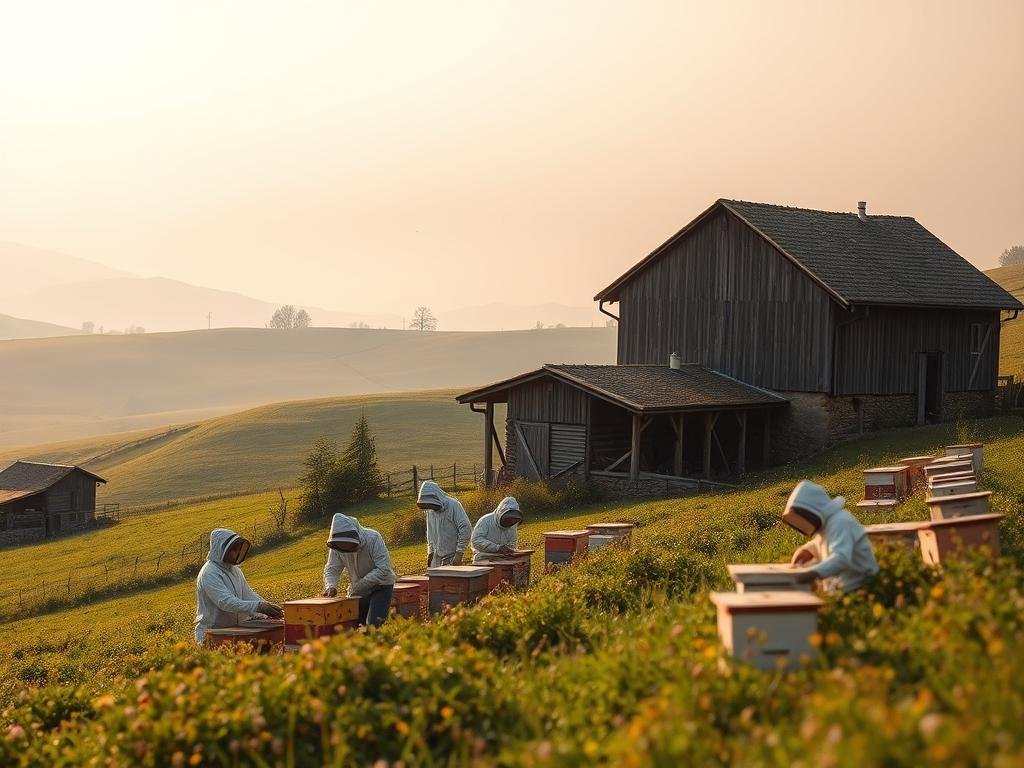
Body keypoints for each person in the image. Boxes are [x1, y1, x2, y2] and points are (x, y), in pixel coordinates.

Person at [783, 480, 879, 593]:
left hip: (860, 588)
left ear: (814, 508)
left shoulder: (841, 522)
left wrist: (813, 573)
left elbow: (841, 559)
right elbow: (825, 541)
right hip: (843, 588)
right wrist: (807, 550)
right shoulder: (827, 524)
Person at [194, 528, 283, 645]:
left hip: (234, 632)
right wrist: (259, 606)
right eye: (234, 550)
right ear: (222, 549)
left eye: (239, 550)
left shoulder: (235, 570)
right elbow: (226, 602)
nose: (237, 553)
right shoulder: (209, 573)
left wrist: (268, 609)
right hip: (212, 634)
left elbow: (248, 594)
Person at [323, 512, 396, 627]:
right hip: (359, 591)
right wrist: (331, 586)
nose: (345, 549)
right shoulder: (336, 546)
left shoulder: (373, 538)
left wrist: (358, 585)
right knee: (355, 625)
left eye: (348, 545)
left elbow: (383, 568)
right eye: (342, 547)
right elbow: (332, 569)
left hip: (381, 587)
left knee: (373, 625)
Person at [416, 480, 471, 568]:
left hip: (453, 557)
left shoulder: (454, 505)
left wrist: (459, 553)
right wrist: (430, 553)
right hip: (436, 557)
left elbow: (465, 528)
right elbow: (430, 533)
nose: (430, 507)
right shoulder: (430, 511)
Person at [471, 496, 522, 562]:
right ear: (501, 513)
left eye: (513, 519)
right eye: (508, 519)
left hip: (504, 560)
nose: (511, 522)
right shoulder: (485, 521)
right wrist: (497, 548)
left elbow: (512, 542)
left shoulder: (513, 525)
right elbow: (476, 540)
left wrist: (510, 550)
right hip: (483, 559)